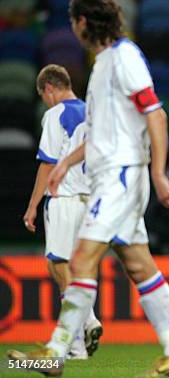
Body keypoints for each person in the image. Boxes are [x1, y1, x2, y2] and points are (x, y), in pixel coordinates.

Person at [7, 0, 169, 378]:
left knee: (81, 259)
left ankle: (56, 352)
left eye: (73, 21)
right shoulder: (103, 63)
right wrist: (63, 164)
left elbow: (155, 115)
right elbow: (97, 131)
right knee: (140, 267)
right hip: (112, 175)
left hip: (122, 176)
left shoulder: (124, 58)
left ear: (82, 22)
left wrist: (158, 172)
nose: (72, 28)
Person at [23, 64, 102, 360]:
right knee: (73, 268)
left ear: (49, 88)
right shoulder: (89, 112)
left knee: (58, 265)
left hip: (64, 196)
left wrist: (32, 206)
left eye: (43, 96)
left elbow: (48, 163)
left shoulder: (55, 114)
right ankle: (79, 339)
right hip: (89, 199)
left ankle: (85, 327)